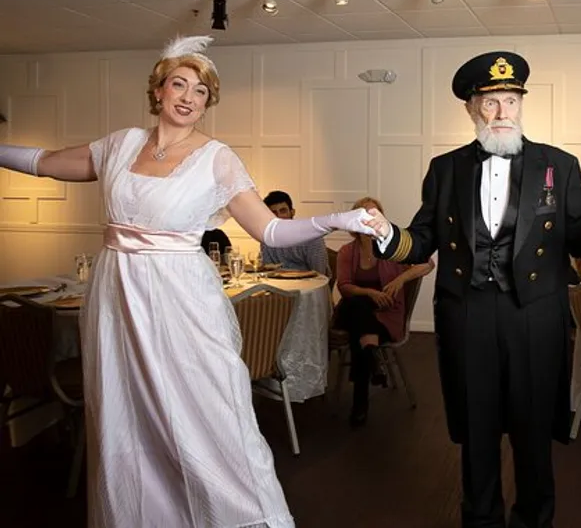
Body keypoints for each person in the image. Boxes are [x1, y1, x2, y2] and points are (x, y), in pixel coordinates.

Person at [0, 35, 375, 528]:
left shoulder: (218, 158)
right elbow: (45, 162)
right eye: (179, 84)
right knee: (124, 415)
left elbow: (271, 230)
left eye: (201, 92)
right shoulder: (118, 145)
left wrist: (337, 219)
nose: (189, 98)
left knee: (205, 410)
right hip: (116, 296)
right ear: (158, 90)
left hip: (181, 298)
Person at [363, 51, 581, 528]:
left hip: (535, 313)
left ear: (521, 104)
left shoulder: (558, 165)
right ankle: (480, 519)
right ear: (471, 108)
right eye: (490, 103)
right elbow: (422, 241)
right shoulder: (446, 169)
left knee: (533, 427)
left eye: (510, 100)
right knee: (478, 428)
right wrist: (385, 233)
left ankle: (534, 519)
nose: (502, 112)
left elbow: (580, 236)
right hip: (468, 312)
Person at [334, 195, 434, 427]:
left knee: (362, 340)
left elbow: (427, 263)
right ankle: (373, 358)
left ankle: (362, 394)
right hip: (353, 309)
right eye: (364, 215)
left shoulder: (393, 246)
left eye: (375, 214)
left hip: (385, 315)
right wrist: (370, 293)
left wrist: (401, 279)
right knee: (358, 307)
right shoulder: (347, 251)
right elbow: (344, 286)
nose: (371, 220)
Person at [260, 190, 332, 276]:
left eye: (283, 211)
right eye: (273, 213)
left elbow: (319, 274)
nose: (279, 216)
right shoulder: (266, 237)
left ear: (292, 212)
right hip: (278, 285)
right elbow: (268, 271)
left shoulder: (312, 237)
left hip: (310, 284)